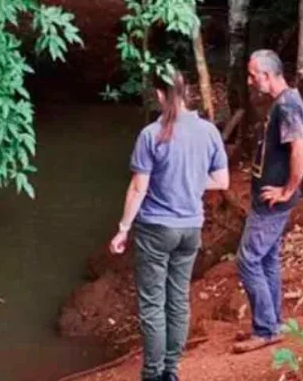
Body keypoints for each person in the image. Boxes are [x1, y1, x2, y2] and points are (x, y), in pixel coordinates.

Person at [109, 69, 229, 381]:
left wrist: (123, 228)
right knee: (178, 301)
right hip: (191, 228)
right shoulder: (209, 132)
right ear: (186, 92)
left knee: (152, 305)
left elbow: (139, 188)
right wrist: (188, 181)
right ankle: (171, 372)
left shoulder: (151, 134)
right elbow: (222, 180)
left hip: (156, 230)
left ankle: (152, 374)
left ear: (160, 95)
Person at [232, 49, 303, 354]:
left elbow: (300, 150)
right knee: (266, 259)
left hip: (272, 203)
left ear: (267, 74)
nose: (251, 81)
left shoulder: (288, 104)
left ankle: (265, 329)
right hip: (267, 198)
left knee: (248, 260)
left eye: (254, 75)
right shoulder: (282, 102)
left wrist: (288, 190)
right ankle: (271, 323)